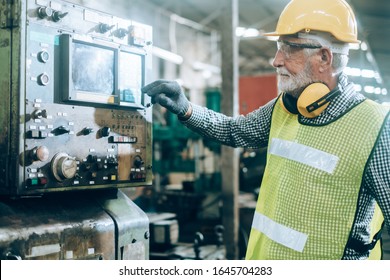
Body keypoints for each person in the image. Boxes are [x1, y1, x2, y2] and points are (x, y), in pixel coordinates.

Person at [141, 0, 390, 260]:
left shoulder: (374, 126)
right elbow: (233, 130)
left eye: (289, 48)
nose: (275, 60)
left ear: (324, 58)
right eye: (278, 48)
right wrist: (187, 109)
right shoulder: (285, 107)